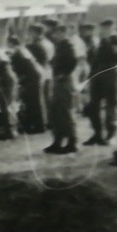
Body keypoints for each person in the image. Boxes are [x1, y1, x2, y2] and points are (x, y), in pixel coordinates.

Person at [86, 20, 117, 145]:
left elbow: (116, 56)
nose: (104, 31)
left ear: (113, 28)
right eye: (103, 28)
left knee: (110, 105)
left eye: (107, 28)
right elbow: (92, 58)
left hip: (110, 75)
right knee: (94, 105)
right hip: (96, 75)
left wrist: (108, 40)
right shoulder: (97, 41)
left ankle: (110, 133)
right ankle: (97, 133)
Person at [45, 22, 80, 154]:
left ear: (63, 33)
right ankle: (58, 141)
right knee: (56, 112)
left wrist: (64, 74)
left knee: (64, 111)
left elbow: (73, 61)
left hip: (64, 82)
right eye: (55, 33)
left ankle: (71, 141)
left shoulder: (67, 45)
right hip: (59, 81)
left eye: (58, 33)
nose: (55, 35)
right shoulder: (60, 46)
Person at [7, 39, 46, 134]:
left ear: (12, 44)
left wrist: (21, 81)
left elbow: (19, 70)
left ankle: (34, 126)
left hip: (30, 80)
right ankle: (38, 126)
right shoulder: (23, 52)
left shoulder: (17, 54)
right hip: (34, 78)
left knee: (30, 103)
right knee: (34, 103)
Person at [76, 20, 100, 142]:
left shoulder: (93, 41)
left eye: (87, 30)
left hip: (91, 68)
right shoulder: (83, 41)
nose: (85, 32)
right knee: (83, 91)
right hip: (86, 68)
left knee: (87, 91)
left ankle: (87, 109)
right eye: (84, 30)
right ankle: (86, 109)